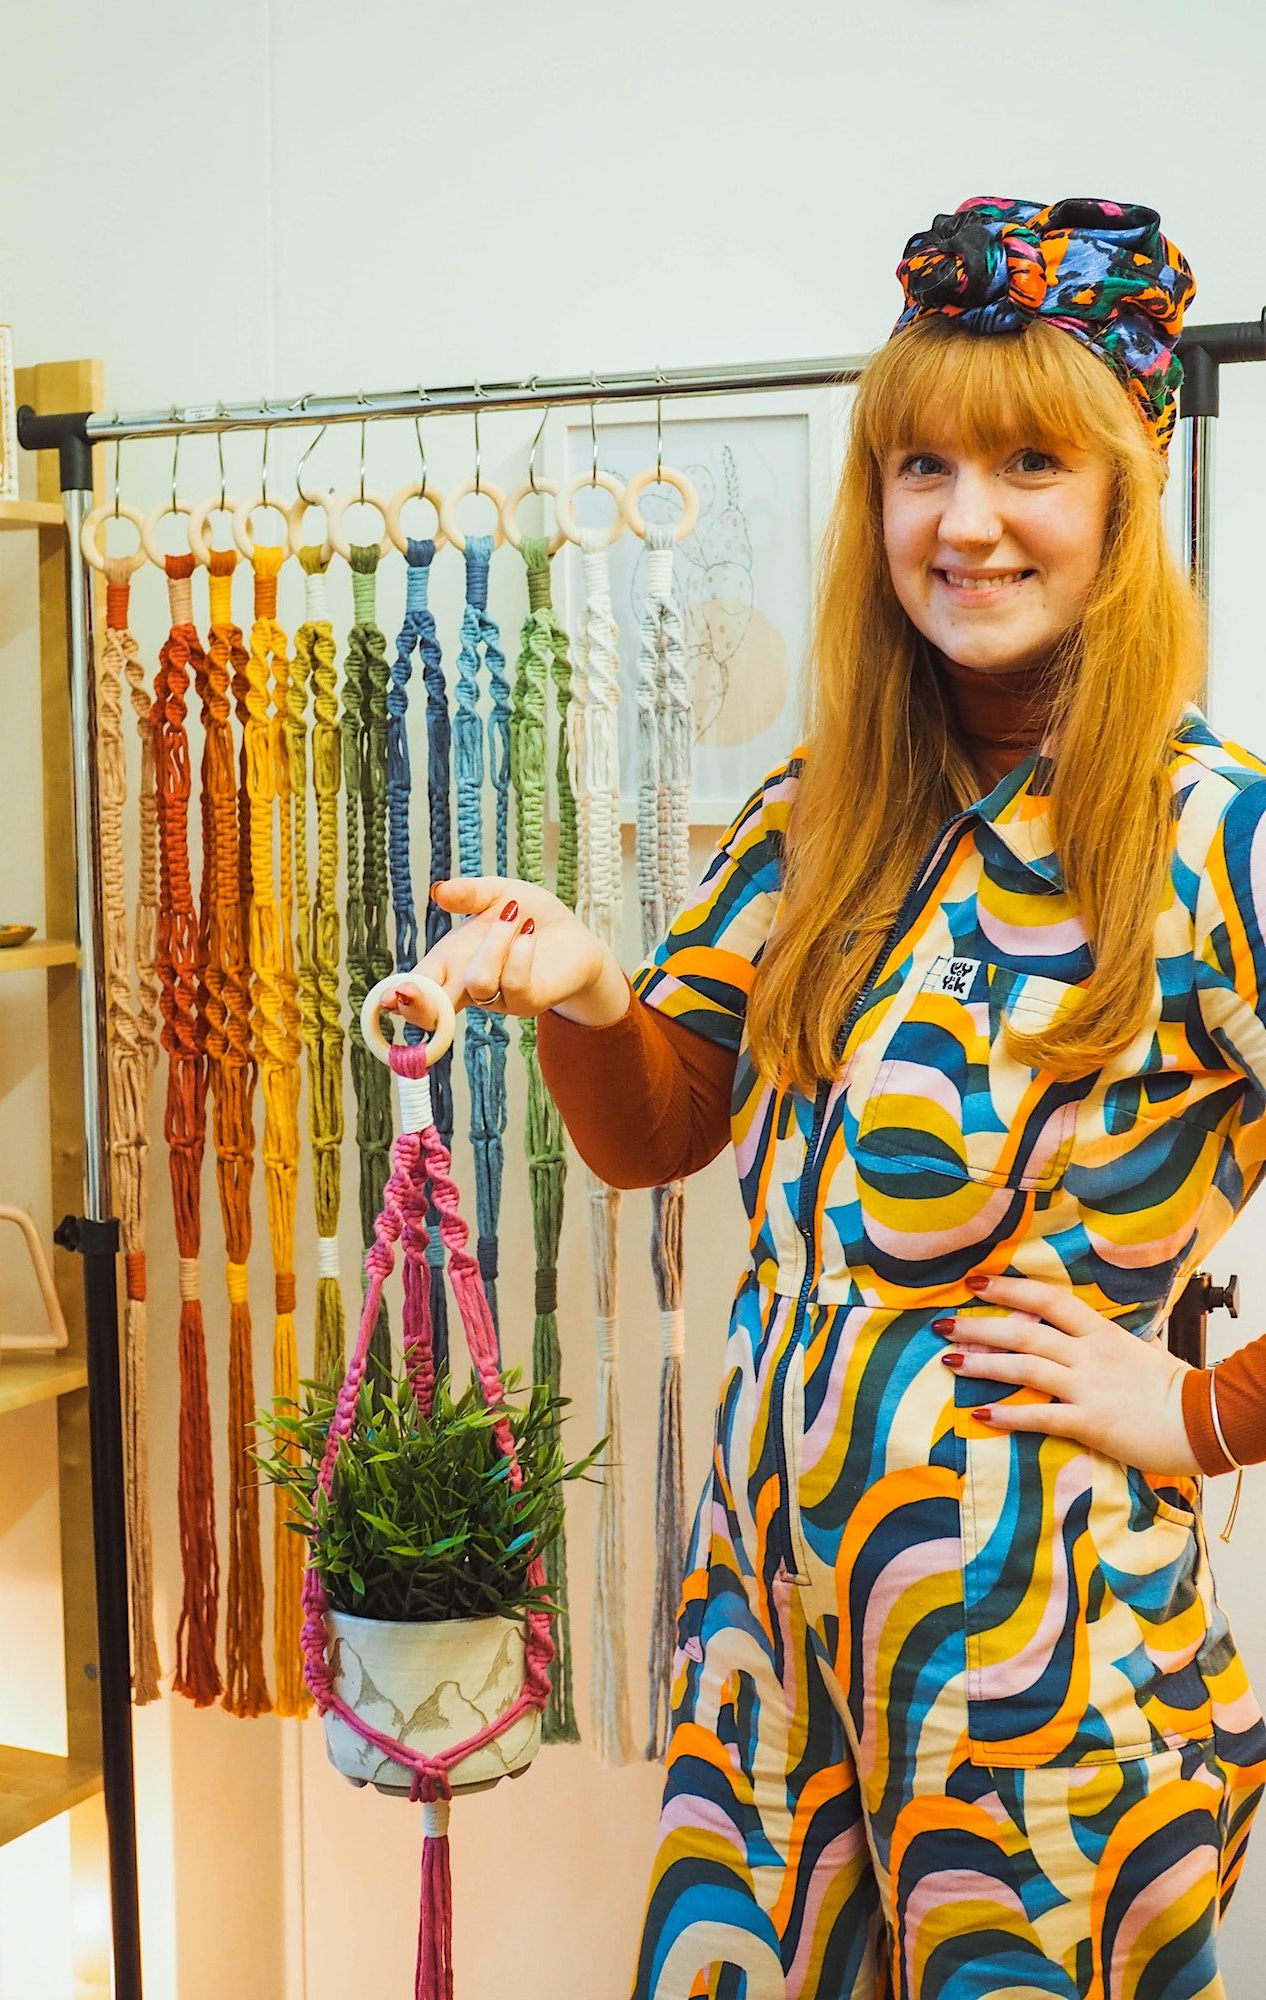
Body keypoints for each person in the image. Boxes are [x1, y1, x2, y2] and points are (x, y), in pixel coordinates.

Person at [388, 195, 1266, 1998]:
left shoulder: (1215, 834)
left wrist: (1206, 1415)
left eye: (1029, 461)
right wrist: (589, 990)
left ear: (1123, 492)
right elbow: (658, 1130)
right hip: (767, 1638)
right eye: (919, 464)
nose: (965, 520)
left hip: (1040, 1672)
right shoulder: (825, 805)